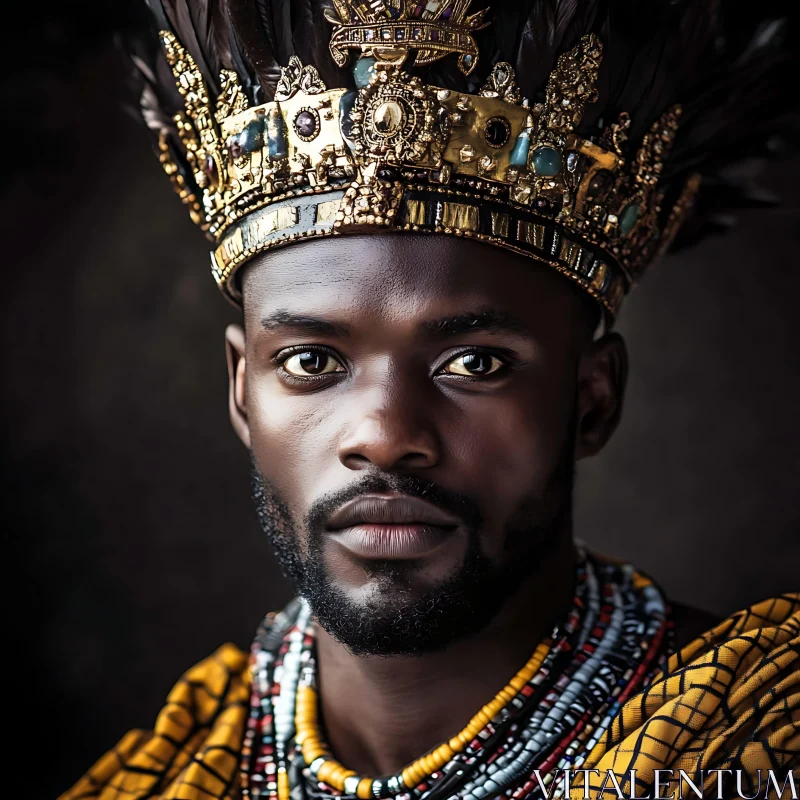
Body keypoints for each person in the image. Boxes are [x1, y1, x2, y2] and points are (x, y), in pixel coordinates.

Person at [62, 0, 799, 797]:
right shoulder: (168, 772)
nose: (384, 435)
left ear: (591, 399)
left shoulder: (749, 743)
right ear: (242, 391)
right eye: (311, 359)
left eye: (475, 363)